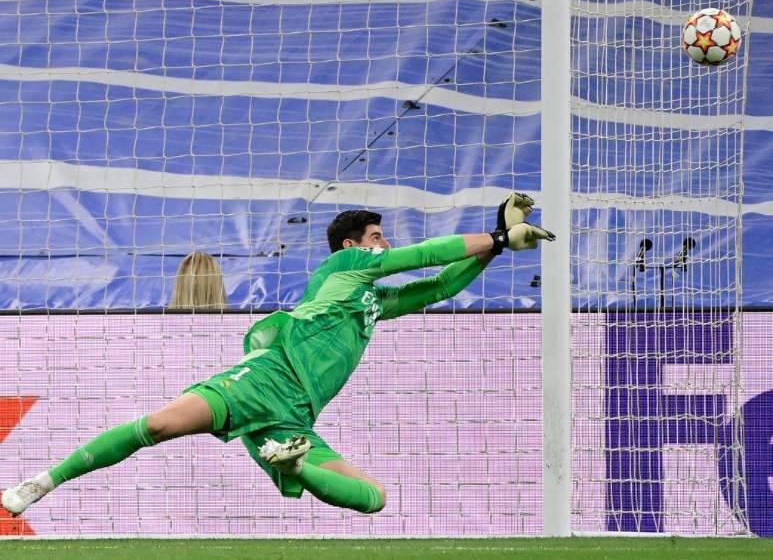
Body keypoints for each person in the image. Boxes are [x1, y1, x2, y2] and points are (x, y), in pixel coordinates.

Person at [2, 193, 553, 516]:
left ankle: (292, 465)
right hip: (265, 379)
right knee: (160, 425)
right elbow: (427, 254)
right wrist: (499, 237)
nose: (386, 245)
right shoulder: (342, 270)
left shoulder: (375, 303)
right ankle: (43, 482)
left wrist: (498, 252)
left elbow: (440, 286)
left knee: (373, 498)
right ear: (353, 246)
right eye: (379, 236)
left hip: (296, 418)